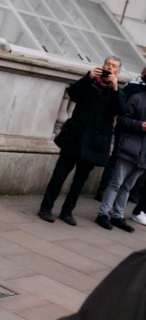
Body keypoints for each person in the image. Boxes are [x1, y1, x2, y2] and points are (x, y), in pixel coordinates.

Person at [38, 56, 123, 226]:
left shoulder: (117, 92)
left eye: (114, 66)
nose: (109, 68)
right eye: (107, 64)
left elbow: (120, 110)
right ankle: (46, 208)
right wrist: (88, 77)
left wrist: (115, 89)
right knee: (59, 175)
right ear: (102, 65)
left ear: (117, 72)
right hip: (75, 138)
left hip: (94, 143)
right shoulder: (89, 83)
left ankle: (67, 211)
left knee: (79, 181)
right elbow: (73, 94)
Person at [95, 68, 146, 232]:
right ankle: (103, 213)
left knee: (128, 187)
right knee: (116, 182)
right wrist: (140, 125)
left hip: (143, 155)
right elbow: (122, 120)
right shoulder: (138, 98)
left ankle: (117, 215)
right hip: (130, 149)